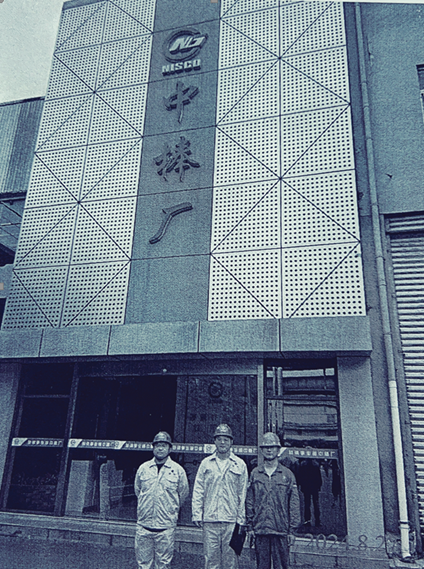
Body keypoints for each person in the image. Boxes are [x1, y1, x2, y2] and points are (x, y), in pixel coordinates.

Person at [192, 424, 248, 569]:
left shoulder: (240, 464)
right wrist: (197, 514)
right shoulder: (206, 463)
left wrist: (241, 519)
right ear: (214, 441)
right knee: (211, 560)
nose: (222, 442)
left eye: (226, 439)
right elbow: (198, 489)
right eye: (219, 439)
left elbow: (243, 493)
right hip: (210, 520)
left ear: (231, 442)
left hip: (231, 521)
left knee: (231, 561)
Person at [134, 431, 189, 569]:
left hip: (166, 528)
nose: (160, 448)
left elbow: (182, 494)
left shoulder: (178, 470)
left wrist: (170, 510)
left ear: (170, 449)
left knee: (163, 565)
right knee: (143, 564)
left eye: (164, 445)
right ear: (153, 448)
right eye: (157, 445)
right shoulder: (143, 468)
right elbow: (138, 491)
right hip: (144, 526)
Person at [246, 432, 300, 569]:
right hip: (261, 529)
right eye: (266, 447)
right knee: (262, 566)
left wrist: (292, 530)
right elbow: (250, 501)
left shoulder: (287, 475)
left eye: (272, 447)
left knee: (281, 566)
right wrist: (250, 526)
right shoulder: (255, 474)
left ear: (278, 450)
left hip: (281, 530)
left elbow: (294, 504)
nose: (269, 450)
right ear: (262, 450)